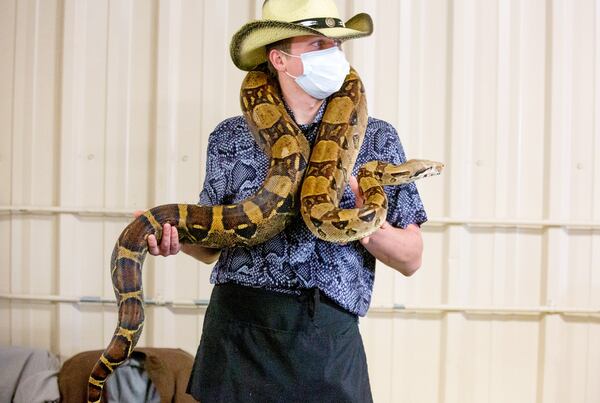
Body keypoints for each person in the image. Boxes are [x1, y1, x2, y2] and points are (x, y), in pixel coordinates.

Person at [138, 0, 427, 401]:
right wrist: (175, 238)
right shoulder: (230, 137)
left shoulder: (378, 139)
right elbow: (210, 246)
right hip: (239, 331)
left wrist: (359, 219)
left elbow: (412, 257)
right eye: (317, 45)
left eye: (336, 45)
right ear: (280, 59)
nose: (334, 56)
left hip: (327, 336)